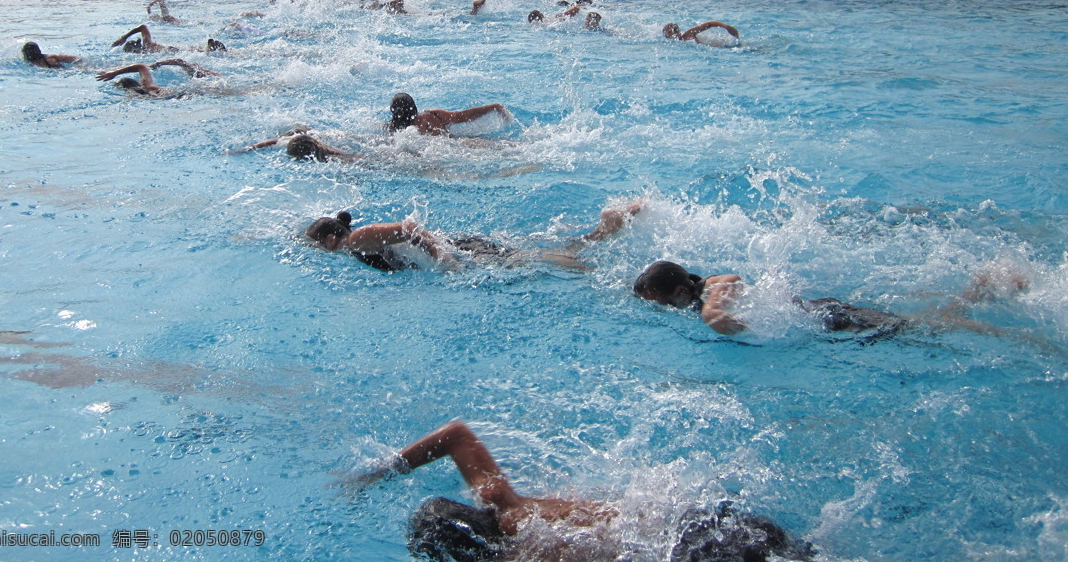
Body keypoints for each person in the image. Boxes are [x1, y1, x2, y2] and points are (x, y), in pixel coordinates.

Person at [347, 420, 814, 562]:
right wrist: (383, 469)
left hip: (692, 550)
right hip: (692, 518)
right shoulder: (505, 504)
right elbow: (457, 435)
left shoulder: (525, 552)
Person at [632, 259, 1031, 338]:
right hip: (818, 312)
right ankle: (980, 291)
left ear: (682, 291)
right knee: (921, 323)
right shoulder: (695, 292)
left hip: (828, 318)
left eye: (661, 302)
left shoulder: (708, 292)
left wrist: (712, 311)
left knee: (926, 329)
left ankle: (984, 299)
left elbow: (729, 278)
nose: (661, 309)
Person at [306, 200, 645, 274]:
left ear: (331, 239)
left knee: (523, 260)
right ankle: (602, 232)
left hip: (455, 248)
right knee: (523, 254)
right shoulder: (354, 245)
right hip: (453, 245)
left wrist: (443, 258)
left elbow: (410, 228)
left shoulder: (355, 240)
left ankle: (596, 271)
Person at [388, 93, 511, 136]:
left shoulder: (393, 129)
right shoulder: (431, 115)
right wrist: (493, 107)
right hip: (454, 146)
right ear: (413, 107)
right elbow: (464, 116)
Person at [95, 59, 217, 96]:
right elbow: (140, 66)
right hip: (185, 92)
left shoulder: (144, 91)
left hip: (186, 93)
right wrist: (115, 72)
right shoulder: (146, 85)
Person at [239, 131, 358, 162]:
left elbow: (268, 143)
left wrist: (248, 149)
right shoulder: (326, 151)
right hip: (329, 140)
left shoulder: (289, 143)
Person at [111, 24, 227, 54]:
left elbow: (143, 26)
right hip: (173, 49)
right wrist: (124, 38)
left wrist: (123, 37)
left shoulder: (148, 47)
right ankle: (210, 47)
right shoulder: (148, 43)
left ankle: (210, 49)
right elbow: (142, 27)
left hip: (173, 51)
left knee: (203, 53)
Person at [662, 21, 740, 44]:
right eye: (670, 32)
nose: (674, 32)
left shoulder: (687, 35)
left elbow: (709, 24)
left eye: (675, 29)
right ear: (666, 35)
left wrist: (725, 27)